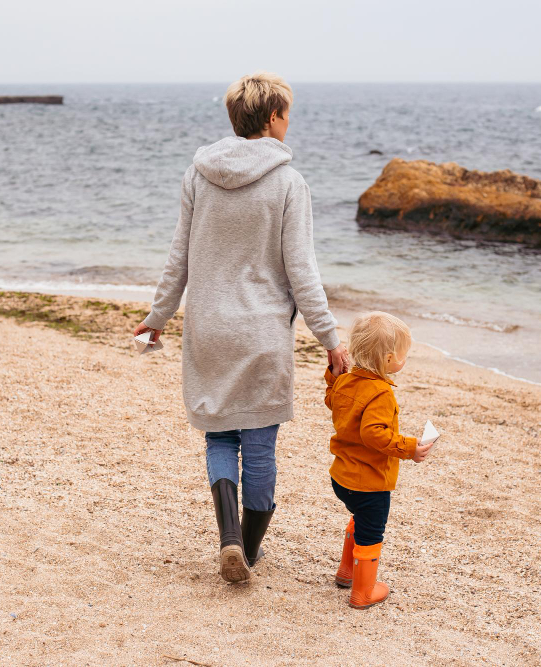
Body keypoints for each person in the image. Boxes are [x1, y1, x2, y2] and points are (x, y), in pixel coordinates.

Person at [134, 71, 349, 583]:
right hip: (261, 334)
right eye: (287, 114)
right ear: (273, 117)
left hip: (208, 328)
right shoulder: (289, 183)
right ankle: (248, 550)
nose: (289, 122)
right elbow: (302, 272)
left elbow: (179, 258)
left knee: (219, 438)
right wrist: (330, 339)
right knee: (258, 447)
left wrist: (157, 317)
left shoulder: (198, 176)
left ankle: (229, 536)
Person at [324, 311, 435, 609]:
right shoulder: (381, 393)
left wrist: (333, 376)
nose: (404, 359)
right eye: (403, 354)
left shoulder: (345, 382)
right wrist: (410, 448)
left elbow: (332, 399)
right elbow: (374, 433)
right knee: (372, 532)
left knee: (359, 518)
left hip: (341, 477)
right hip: (369, 483)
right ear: (388, 359)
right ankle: (362, 593)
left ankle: (347, 572)